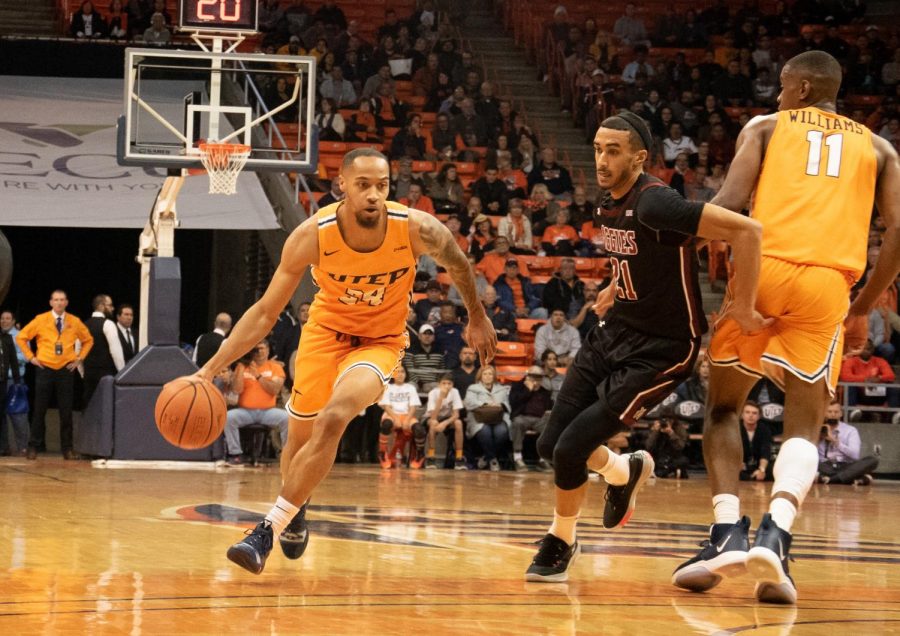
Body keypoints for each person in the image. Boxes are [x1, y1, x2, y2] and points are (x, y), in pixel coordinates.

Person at [197, 148, 495, 574]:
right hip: (323, 337)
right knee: (297, 445)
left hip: (379, 342)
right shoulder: (312, 235)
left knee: (335, 415)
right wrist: (210, 367)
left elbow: (459, 263)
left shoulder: (414, 228)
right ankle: (295, 507)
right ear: (342, 186)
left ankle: (266, 528)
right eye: (363, 185)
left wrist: (477, 316)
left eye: (382, 185)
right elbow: (265, 312)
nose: (374, 194)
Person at [675, 51, 900, 605]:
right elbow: (899, 231)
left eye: (781, 86)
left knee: (724, 407)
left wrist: (670, 253)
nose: (776, 95)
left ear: (800, 88)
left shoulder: (768, 127)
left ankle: (727, 531)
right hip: (828, 283)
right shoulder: (880, 148)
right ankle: (777, 533)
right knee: (803, 422)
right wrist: (864, 304)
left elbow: (727, 205)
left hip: (761, 268)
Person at [525, 110, 764, 583]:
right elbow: (660, 246)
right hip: (615, 331)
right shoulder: (608, 201)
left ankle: (562, 539)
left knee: (572, 448)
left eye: (613, 151)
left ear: (639, 157)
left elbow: (746, 230)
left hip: (662, 347)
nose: (601, 159)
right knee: (550, 443)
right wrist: (618, 282)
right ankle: (621, 471)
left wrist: (742, 305)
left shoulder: (655, 202)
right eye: (597, 148)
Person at [16, 290, 94, 460]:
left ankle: (67, 448)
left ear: (66, 302)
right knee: (39, 409)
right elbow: (21, 337)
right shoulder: (41, 319)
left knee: (66, 410)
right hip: (45, 368)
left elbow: (88, 340)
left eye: (62, 300)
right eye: (56, 300)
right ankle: (34, 446)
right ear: (51, 302)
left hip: (66, 369)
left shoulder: (74, 321)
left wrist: (79, 359)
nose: (59, 303)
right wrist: (31, 358)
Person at [223, 339, 289, 466]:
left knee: (288, 418)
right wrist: (241, 369)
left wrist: (258, 376)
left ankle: (287, 454)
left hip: (268, 411)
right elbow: (237, 390)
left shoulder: (275, 367)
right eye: (255, 349)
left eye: (261, 348)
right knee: (228, 417)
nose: (258, 352)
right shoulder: (242, 367)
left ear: (268, 350)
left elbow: (274, 389)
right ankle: (235, 455)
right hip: (245, 412)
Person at [818, 399, 879, 485]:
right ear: (824, 413)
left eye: (836, 412)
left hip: (845, 465)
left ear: (841, 414)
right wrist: (819, 438)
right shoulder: (817, 429)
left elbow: (855, 455)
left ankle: (831, 480)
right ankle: (853, 477)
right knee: (812, 463)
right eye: (829, 412)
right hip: (825, 465)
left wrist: (836, 443)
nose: (832, 415)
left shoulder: (850, 430)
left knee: (873, 460)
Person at [464, 365, 511, 471]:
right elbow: (468, 403)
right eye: (485, 374)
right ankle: (493, 460)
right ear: (480, 376)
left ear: (494, 376)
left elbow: (508, 404)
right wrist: (485, 403)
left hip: (498, 418)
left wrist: (500, 405)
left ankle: (486, 457)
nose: (488, 376)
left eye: (490, 374)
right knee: (485, 432)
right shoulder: (473, 388)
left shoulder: (502, 389)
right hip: (478, 418)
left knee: (502, 432)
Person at [83, 294, 125, 406]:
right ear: (101, 306)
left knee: (89, 408)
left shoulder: (83, 326)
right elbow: (116, 352)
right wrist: (123, 373)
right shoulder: (108, 324)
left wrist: (83, 373)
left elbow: (78, 353)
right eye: (110, 305)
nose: (112, 308)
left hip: (88, 374)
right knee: (104, 407)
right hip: (105, 375)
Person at [509, 365, 553, 471]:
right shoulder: (517, 387)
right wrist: (528, 390)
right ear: (527, 377)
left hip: (539, 419)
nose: (536, 381)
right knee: (518, 422)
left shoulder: (545, 391)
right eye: (533, 377)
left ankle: (543, 460)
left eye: (539, 378)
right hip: (522, 417)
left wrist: (549, 412)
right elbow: (514, 403)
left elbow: (549, 407)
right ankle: (517, 458)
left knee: (551, 424)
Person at [377, 366, 422, 469]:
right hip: (391, 414)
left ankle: (419, 455)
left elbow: (413, 407)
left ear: (406, 374)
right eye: (397, 372)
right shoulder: (387, 387)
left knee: (419, 429)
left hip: (407, 415)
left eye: (402, 372)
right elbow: (386, 406)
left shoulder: (410, 388)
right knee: (386, 425)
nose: (400, 374)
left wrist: (406, 420)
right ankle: (382, 453)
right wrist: (396, 418)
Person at [424, 373, 467, 470]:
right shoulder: (433, 393)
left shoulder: (455, 392)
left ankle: (459, 458)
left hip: (447, 419)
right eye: (444, 383)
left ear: (453, 385)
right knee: (434, 423)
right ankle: (431, 457)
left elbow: (456, 414)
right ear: (439, 384)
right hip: (432, 417)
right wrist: (440, 398)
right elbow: (433, 416)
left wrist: (444, 423)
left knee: (458, 423)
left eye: (449, 383)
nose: (447, 386)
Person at [1, 310, 28, 456]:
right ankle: (4, 447)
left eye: (8, 318)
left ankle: (23, 446)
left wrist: (7, 356)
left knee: (18, 415)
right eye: (2, 318)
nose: (4, 321)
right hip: (1, 380)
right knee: (1, 416)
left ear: (13, 321)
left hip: (14, 380)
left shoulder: (20, 336)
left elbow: (26, 356)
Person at [645, 409, 690, 479]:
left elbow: (681, 446)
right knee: (646, 459)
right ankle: (669, 471)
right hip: (658, 457)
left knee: (684, 461)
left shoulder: (679, 428)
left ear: (674, 420)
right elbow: (648, 446)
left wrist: (671, 433)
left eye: (670, 419)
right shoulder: (656, 427)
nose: (667, 422)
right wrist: (655, 432)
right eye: (664, 419)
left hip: (673, 457)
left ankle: (662, 472)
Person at [739, 401, 773, 482]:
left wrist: (762, 469)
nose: (750, 415)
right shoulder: (736, 429)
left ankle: (755, 475)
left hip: (759, 464)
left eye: (754, 413)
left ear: (759, 416)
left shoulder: (764, 429)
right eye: (747, 412)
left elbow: (765, 451)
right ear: (742, 415)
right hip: (741, 465)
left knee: (773, 469)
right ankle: (751, 476)